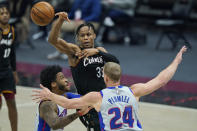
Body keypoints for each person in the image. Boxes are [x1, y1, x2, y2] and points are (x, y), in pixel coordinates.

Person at [33, 46, 187, 130]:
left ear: (104, 77)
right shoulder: (134, 91)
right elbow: (161, 80)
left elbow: (67, 104)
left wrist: (50, 94)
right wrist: (176, 61)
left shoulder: (97, 97)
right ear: (119, 76)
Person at [47, 12, 119, 130]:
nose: (85, 38)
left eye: (88, 34)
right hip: (87, 104)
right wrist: (60, 21)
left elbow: (116, 63)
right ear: (78, 38)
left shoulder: (100, 50)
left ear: (94, 35)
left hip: (104, 101)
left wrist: (97, 52)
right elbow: (52, 40)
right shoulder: (75, 52)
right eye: (82, 35)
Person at [35, 65, 88, 131]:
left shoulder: (66, 96)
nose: (66, 80)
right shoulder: (46, 104)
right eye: (62, 78)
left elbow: (88, 99)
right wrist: (78, 113)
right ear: (53, 84)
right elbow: (55, 124)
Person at [0, 3, 19, 131]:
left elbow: (12, 53)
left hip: (6, 72)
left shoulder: (12, 30)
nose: (5, 15)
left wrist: (14, 71)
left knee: (11, 103)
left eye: (6, 13)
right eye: (1, 13)